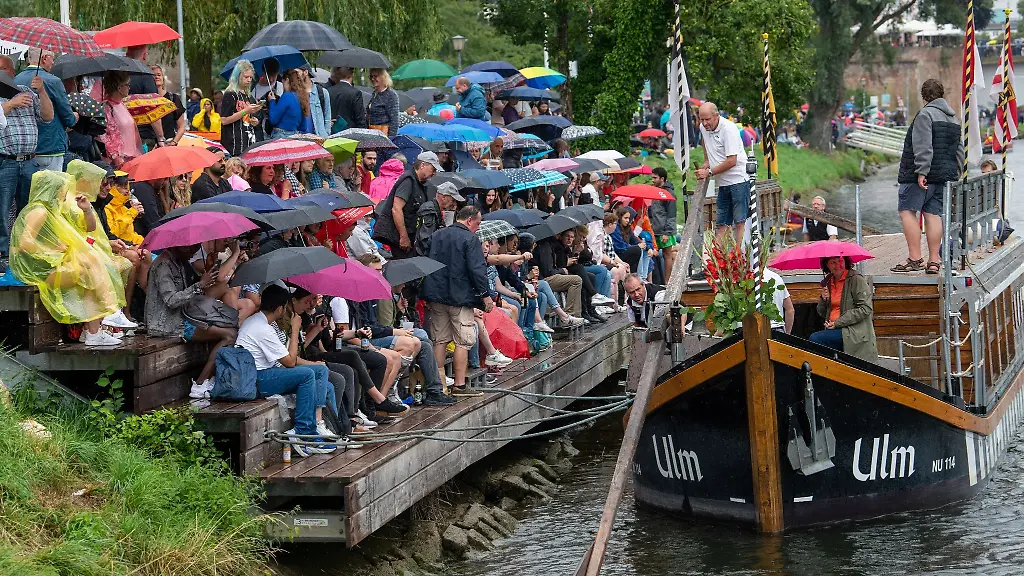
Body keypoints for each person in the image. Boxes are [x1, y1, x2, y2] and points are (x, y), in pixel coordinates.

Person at [10, 171, 126, 346]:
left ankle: (93, 330)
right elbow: (23, 244)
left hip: (45, 266)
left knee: (90, 266)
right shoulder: (39, 211)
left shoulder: (48, 210)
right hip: (36, 270)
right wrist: (53, 248)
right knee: (89, 267)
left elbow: (88, 229)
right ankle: (103, 320)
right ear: (53, 190)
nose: (65, 194)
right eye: (63, 190)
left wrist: (86, 211)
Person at [234, 284, 336, 456]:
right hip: (256, 379)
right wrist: (295, 330)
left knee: (319, 371)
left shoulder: (259, 321)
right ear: (280, 308)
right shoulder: (262, 328)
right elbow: (289, 362)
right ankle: (303, 433)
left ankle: (318, 425)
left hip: (262, 373)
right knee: (307, 375)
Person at [893, 79, 964, 275]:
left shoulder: (925, 115)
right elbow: (959, 149)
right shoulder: (953, 118)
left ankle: (915, 259)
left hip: (920, 176)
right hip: (943, 176)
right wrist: (955, 172)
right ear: (942, 95)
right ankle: (934, 260)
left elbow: (923, 146)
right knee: (933, 215)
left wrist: (922, 172)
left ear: (924, 96)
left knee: (907, 211)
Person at [423, 206, 495, 394]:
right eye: (478, 223)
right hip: (460, 296)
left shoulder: (437, 235)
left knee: (440, 339)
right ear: (469, 220)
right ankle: (459, 385)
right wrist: (485, 295)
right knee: (463, 340)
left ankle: (438, 386)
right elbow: (477, 270)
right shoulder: (470, 239)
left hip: (436, 294)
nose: (478, 228)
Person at [0, 55, 51, 265]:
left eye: (4, 69)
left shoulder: (28, 92)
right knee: (2, 211)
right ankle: (3, 254)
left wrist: (42, 90)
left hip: (30, 161)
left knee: (29, 210)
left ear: (13, 73)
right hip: (6, 161)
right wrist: (11, 104)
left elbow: (47, 116)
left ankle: (24, 252)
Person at [695, 102, 749, 243]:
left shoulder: (728, 129)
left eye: (708, 119)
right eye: (702, 119)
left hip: (738, 179)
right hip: (722, 182)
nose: (705, 123)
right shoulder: (703, 128)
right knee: (721, 223)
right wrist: (706, 161)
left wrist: (710, 172)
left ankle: (739, 258)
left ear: (716, 116)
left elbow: (732, 161)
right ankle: (715, 260)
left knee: (739, 221)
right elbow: (704, 142)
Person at [809, 256, 878, 363]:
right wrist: (823, 299)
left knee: (816, 339)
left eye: (840, 261)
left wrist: (838, 323)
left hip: (854, 332)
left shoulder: (856, 279)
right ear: (827, 265)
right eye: (833, 262)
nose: (838, 265)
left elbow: (865, 308)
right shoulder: (828, 282)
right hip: (834, 329)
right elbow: (821, 313)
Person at [15, 48, 73, 173]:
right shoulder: (53, 81)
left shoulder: (15, 80)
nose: (53, 62)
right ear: (44, 58)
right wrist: (75, 116)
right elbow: (69, 118)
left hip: (25, 149)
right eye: (52, 58)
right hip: (49, 145)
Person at [374, 152, 441, 258]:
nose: (434, 173)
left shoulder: (420, 183)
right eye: (433, 169)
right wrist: (403, 236)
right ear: (422, 165)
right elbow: (396, 208)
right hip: (399, 237)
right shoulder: (408, 180)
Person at [534, 229, 585, 322]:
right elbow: (548, 271)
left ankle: (583, 312)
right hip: (544, 278)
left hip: (548, 276)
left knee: (582, 275)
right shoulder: (545, 246)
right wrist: (561, 270)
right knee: (576, 280)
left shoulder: (553, 246)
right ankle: (570, 315)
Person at [97, 71, 143, 168]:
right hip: (119, 161)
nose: (129, 87)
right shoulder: (106, 108)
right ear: (119, 88)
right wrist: (116, 157)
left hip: (133, 157)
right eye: (127, 85)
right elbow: (103, 136)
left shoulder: (122, 105)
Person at [125, 45, 165, 149]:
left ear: (127, 53)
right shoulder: (145, 76)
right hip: (143, 136)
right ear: (144, 55)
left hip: (122, 134)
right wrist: (160, 137)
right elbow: (153, 109)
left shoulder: (118, 75)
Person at [220, 60, 263, 157]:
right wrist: (245, 111)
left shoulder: (248, 96)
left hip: (249, 142)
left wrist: (254, 120)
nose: (249, 80)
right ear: (238, 76)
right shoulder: (230, 94)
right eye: (246, 77)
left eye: (251, 77)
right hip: (234, 145)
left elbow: (246, 117)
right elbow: (224, 120)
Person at [415, 181, 463, 256]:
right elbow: (425, 240)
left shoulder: (435, 210)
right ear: (443, 197)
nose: (454, 204)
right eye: (453, 200)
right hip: (424, 256)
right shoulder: (429, 211)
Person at [649, 167, 678, 280]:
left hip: (664, 231)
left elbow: (671, 215)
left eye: (655, 178)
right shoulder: (654, 190)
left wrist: (667, 232)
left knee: (667, 255)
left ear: (662, 178)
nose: (652, 180)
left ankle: (667, 281)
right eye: (652, 177)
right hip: (653, 230)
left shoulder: (669, 194)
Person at [151, 65, 186, 147]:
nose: (156, 77)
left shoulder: (173, 98)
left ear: (163, 77)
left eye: (159, 75)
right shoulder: (145, 100)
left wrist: (174, 142)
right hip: (151, 146)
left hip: (169, 144)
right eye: (153, 75)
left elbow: (181, 127)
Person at [266, 70, 307, 136]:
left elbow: (273, 120)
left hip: (280, 134)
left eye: (283, 82)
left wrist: (272, 101)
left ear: (287, 80)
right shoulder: (301, 97)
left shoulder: (286, 96)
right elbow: (303, 127)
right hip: (294, 135)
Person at [367, 69, 399, 137]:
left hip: (383, 134)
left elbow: (394, 120)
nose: (372, 79)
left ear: (383, 77)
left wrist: (391, 139)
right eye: (371, 76)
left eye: (375, 76)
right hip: (372, 132)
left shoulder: (391, 94)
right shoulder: (375, 93)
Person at [763, 267, 794, 333]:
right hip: (777, 329)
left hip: (749, 331)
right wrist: (787, 334)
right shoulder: (777, 277)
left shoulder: (746, 279)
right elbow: (790, 310)